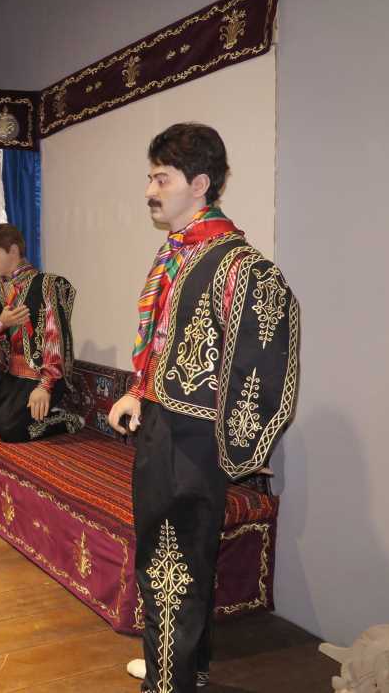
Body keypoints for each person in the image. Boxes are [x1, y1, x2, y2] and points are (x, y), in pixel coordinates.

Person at [108, 123, 300, 692]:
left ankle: (167, 683)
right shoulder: (180, 253)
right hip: (162, 424)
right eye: (150, 178)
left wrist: (238, 444)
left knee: (173, 562)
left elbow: (263, 352)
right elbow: (166, 340)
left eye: (161, 179)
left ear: (199, 184)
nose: (150, 190)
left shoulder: (237, 264)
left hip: (192, 440)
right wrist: (139, 390)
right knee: (174, 557)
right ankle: (180, 667)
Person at [0, 223, 83, 441]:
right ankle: (22, 413)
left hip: (41, 377)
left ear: (13, 250)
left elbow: (55, 339)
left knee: (8, 429)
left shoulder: (47, 285)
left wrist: (45, 386)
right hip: (12, 375)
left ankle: (65, 418)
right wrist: (1, 323)